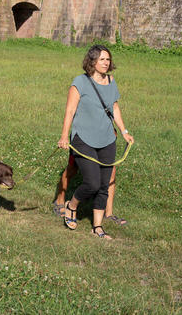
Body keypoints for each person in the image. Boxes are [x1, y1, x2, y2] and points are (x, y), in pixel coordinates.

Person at [57, 44, 134, 238]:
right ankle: (71, 205)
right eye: (102, 59)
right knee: (91, 183)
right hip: (83, 139)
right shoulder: (80, 82)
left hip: (107, 139)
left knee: (103, 184)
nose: (106, 63)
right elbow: (70, 111)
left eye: (108, 59)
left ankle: (97, 227)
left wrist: (124, 131)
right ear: (92, 61)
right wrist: (64, 136)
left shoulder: (111, 81)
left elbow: (114, 108)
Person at [51, 160, 127, 226]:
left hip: (103, 144)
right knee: (72, 168)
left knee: (111, 171)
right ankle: (59, 201)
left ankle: (108, 214)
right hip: (83, 144)